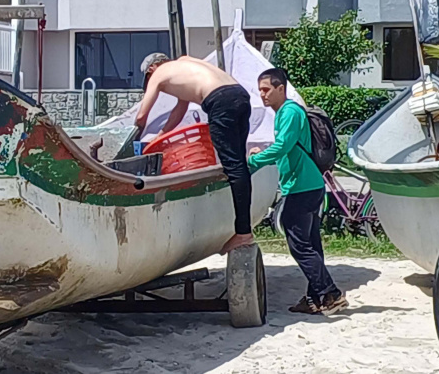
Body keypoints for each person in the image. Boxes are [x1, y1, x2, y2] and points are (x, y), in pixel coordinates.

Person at [248, 68, 348, 315]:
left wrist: (253, 162)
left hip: (302, 186)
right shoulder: (285, 113)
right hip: (308, 184)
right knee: (311, 243)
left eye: (266, 89)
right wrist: (264, 150)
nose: (262, 95)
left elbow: (283, 147)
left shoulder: (290, 111)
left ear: (281, 88)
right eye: (260, 90)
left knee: (299, 245)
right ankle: (315, 299)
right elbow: (286, 145)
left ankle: (331, 293)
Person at [135, 52, 255, 255]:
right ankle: (244, 227)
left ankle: (243, 233)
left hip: (219, 101)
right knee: (239, 165)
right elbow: (179, 111)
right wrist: (160, 136)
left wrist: (137, 135)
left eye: (147, 78)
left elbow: (141, 115)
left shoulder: (158, 73)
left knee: (234, 168)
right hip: (240, 96)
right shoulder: (185, 63)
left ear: (151, 70)